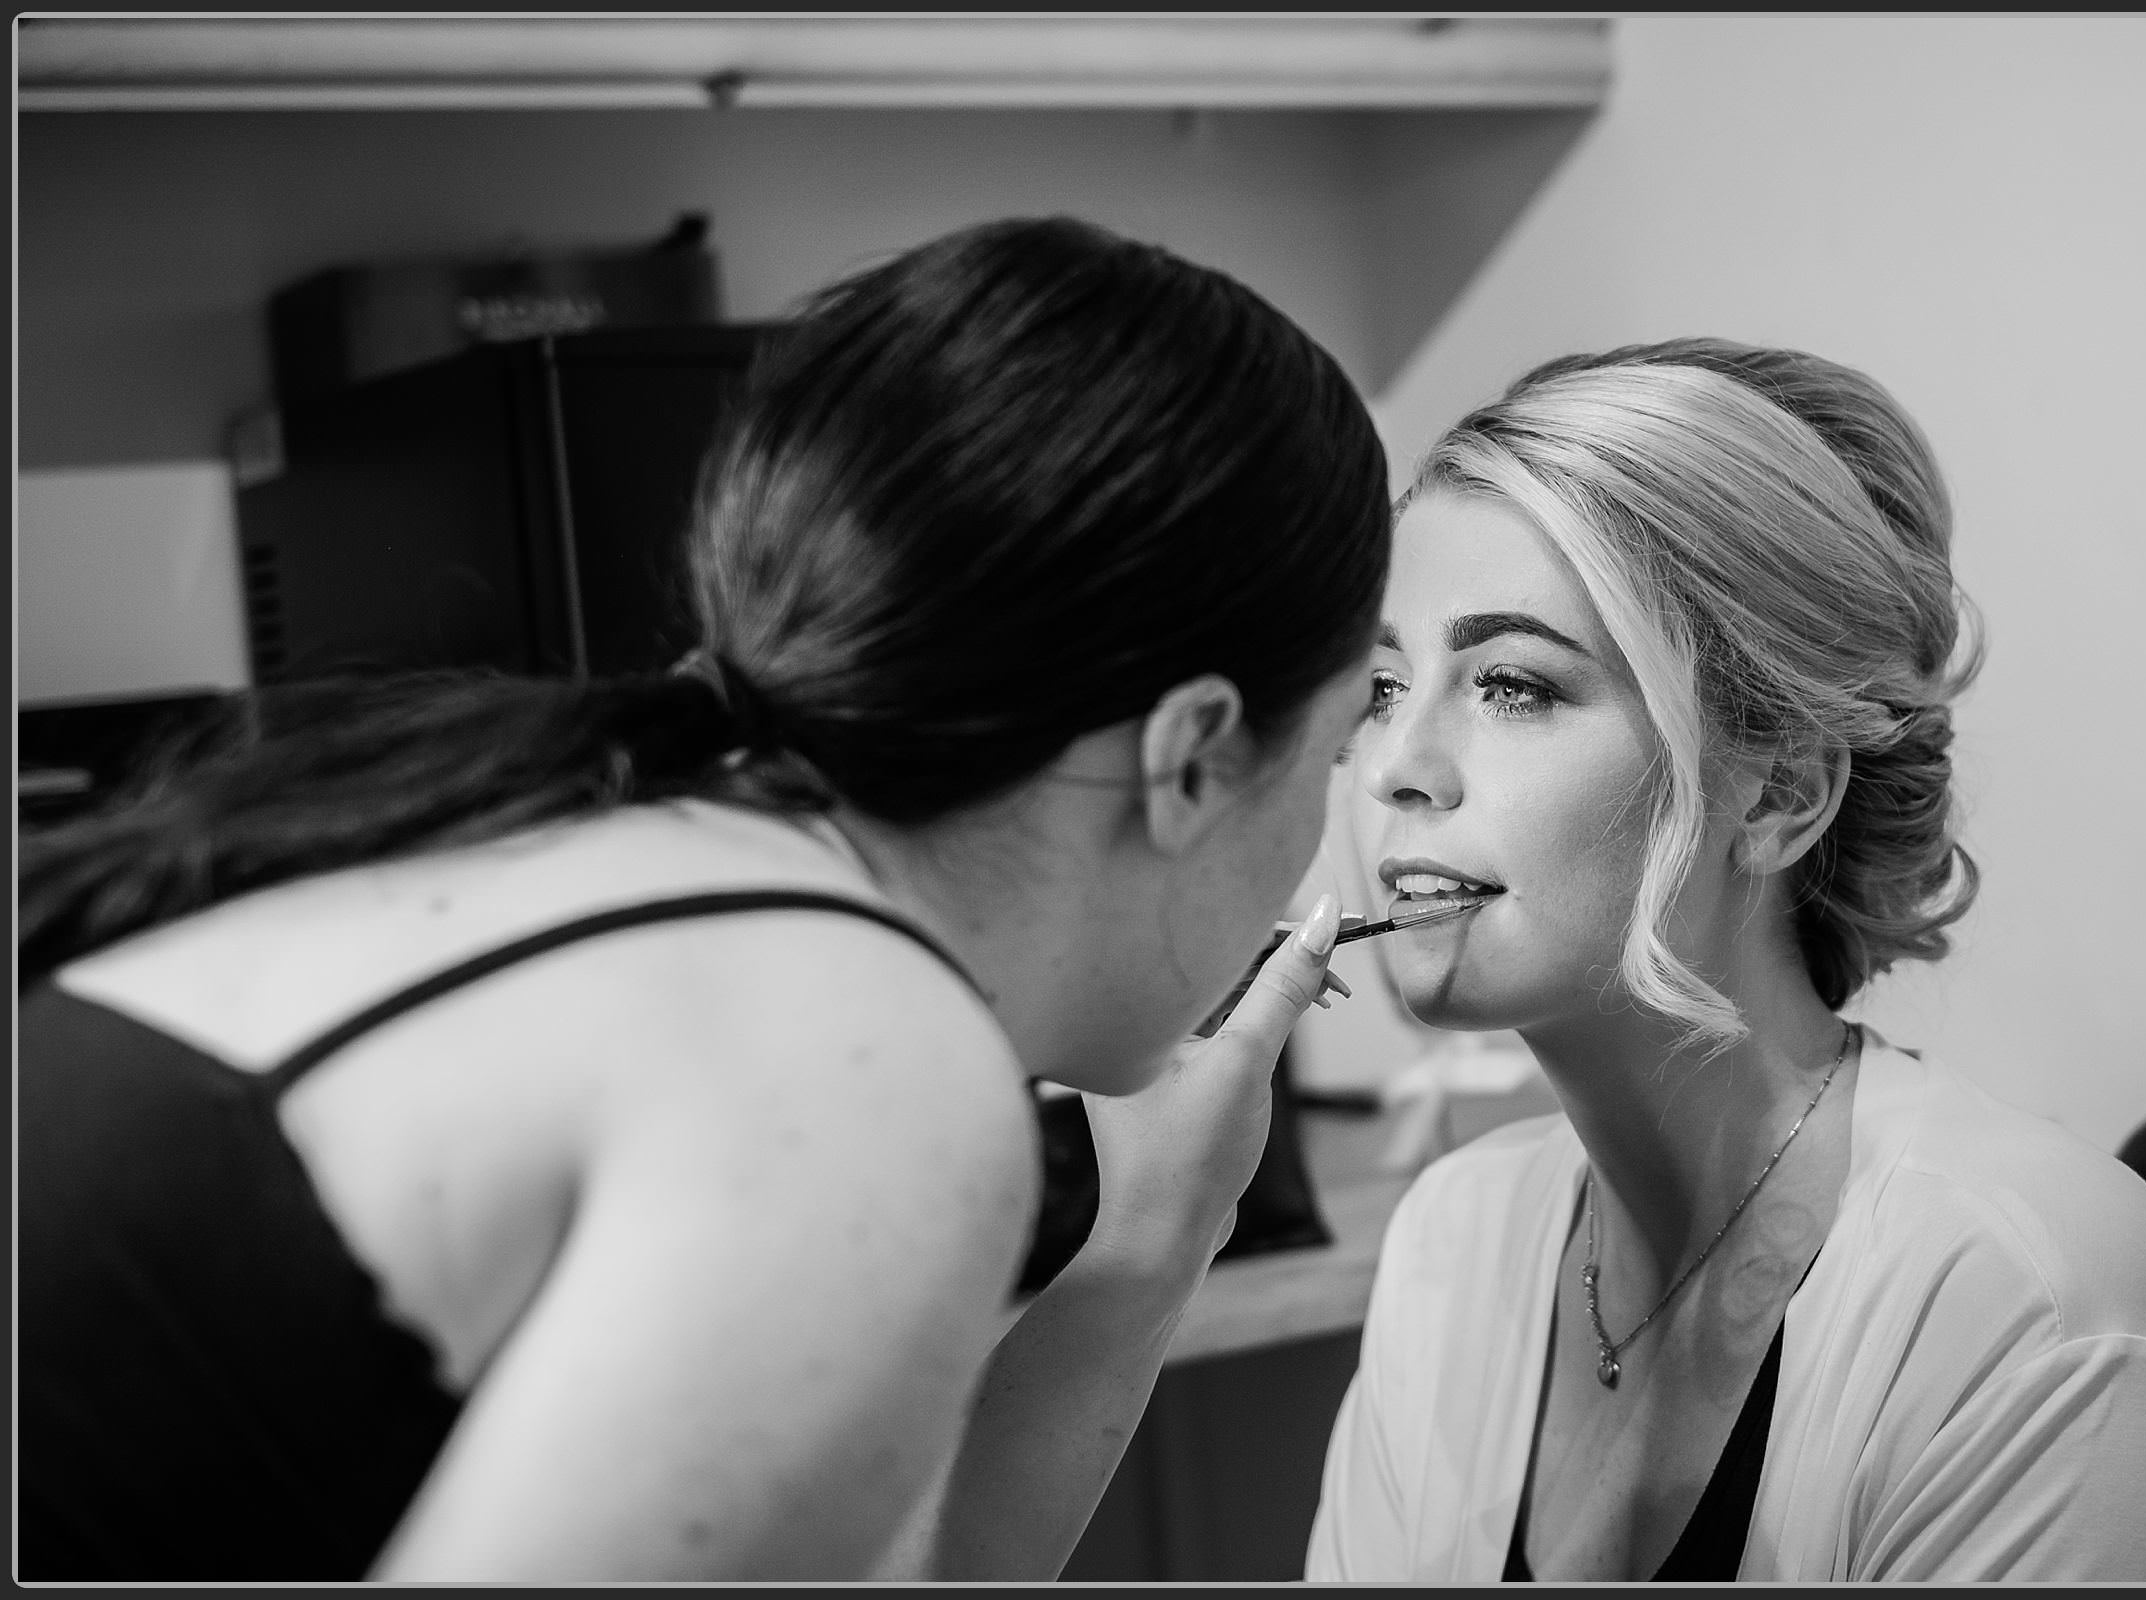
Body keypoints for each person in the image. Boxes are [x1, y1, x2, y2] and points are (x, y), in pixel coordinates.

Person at [17, 215, 1390, 1582]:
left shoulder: (622, 848)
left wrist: (1148, 1243)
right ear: (1195, 754)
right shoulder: (858, 1058)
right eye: (1334, 750)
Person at [1304, 339, 2146, 1582]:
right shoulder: (1452, 1241)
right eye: (1381, 685)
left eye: (1514, 684)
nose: (1392, 766)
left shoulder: (2025, 1300)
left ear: (1778, 794)